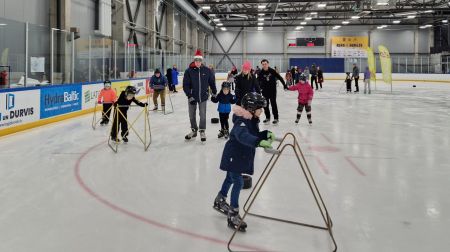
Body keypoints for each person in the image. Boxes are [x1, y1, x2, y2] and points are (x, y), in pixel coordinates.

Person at [213, 92, 276, 232]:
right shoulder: (241, 121)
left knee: (230, 178)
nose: (262, 111)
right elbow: (243, 136)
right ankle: (233, 214)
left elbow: (252, 134)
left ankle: (220, 200)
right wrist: (258, 142)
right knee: (238, 182)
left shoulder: (251, 120)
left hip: (238, 156)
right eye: (260, 108)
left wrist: (264, 135)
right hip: (234, 156)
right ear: (251, 108)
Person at [183, 49, 217, 142]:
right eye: (196, 60)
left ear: (201, 61)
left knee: (202, 115)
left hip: (203, 96)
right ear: (194, 61)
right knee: (191, 115)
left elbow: (211, 82)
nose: (198, 62)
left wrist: (214, 92)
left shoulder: (207, 70)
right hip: (192, 97)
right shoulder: (189, 71)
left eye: (199, 61)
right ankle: (194, 131)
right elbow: (185, 84)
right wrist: (189, 96)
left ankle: (202, 130)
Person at [258, 59, 287, 125]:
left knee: (273, 104)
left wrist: (284, 85)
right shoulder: (261, 72)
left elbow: (280, 77)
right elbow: (257, 81)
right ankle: (267, 117)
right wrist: (258, 88)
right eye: (263, 64)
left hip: (272, 91)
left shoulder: (272, 71)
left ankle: (276, 118)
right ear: (261, 65)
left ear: (268, 64)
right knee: (265, 105)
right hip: (264, 91)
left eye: (265, 64)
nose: (264, 65)